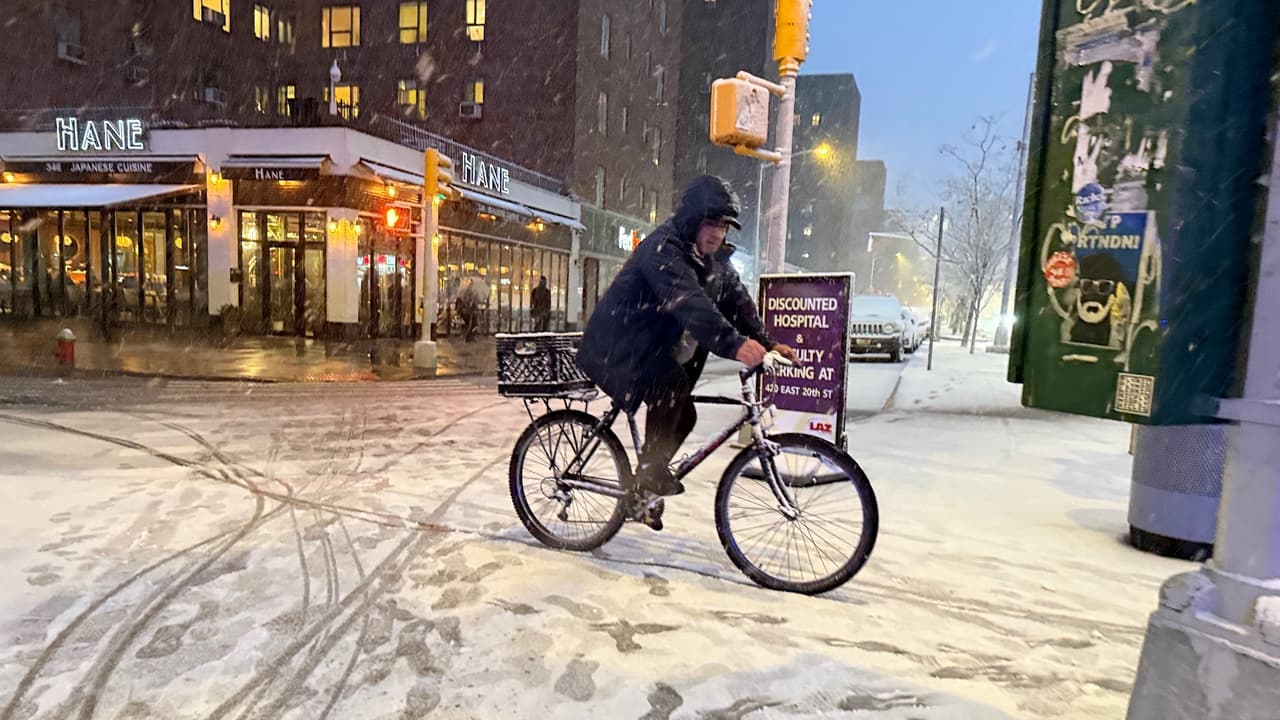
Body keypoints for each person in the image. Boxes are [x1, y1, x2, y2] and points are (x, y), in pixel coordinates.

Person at [576, 175, 797, 531]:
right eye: (711, 222)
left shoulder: (714, 261)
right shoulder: (663, 249)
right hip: (617, 346)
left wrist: (766, 341)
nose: (717, 233)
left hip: (651, 348)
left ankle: (645, 485)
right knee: (672, 386)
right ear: (693, 220)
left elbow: (738, 303)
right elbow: (690, 304)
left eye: (724, 226)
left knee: (686, 413)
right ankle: (649, 474)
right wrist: (735, 344)